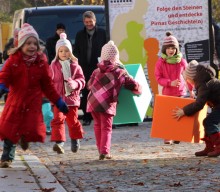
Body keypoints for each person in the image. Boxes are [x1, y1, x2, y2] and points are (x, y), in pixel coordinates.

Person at [0, 23, 69, 168]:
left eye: (34, 43)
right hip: (16, 101)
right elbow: (4, 76)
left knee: (30, 127)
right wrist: (2, 86)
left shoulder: (41, 63)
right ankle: (7, 157)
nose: (32, 46)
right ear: (20, 45)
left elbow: (48, 86)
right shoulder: (13, 61)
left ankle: (24, 138)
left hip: (32, 103)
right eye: (28, 43)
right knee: (9, 129)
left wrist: (58, 100)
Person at [86, 40, 142, 160]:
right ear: (116, 57)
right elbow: (132, 85)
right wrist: (138, 87)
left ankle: (100, 150)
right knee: (106, 127)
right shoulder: (119, 71)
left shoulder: (96, 70)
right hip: (107, 103)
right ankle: (105, 151)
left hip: (93, 102)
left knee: (97, 125)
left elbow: (89, 85)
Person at [173, 60, 220, 157]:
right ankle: (210, 148)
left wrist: (184, 111)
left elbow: (199, 104)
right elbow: (202, 98)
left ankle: (218, 146)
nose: (187, 81)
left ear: (192, 78)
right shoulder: (205, 80)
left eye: (187, 79)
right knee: (207, 122)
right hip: (218, 105)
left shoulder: (203, 84)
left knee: (209, 122)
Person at [154, 31, 194, 145]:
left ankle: (177, 135)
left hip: (180, 92)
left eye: (173, 48)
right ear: (164, 49)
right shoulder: (160, 62)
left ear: (177, 49)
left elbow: (188, 76)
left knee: (179, 114)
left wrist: (191, 90)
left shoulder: (181, 61)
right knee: (168, 115)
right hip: (167, 92)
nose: (171, 50)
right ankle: (168, 137)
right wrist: (169, 83)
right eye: (168, 48)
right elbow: (158, 77)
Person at [50, 33, 85, 154]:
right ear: (57, 53)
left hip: (71, 99)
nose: (64, 53)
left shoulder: (75, 66)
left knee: (72, 121)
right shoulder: (53, 66)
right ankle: (59, 142)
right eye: (61, 51)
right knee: (58, 119)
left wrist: (75, 84)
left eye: (66, 51)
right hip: (58, 99)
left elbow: (82, 80)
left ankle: (75, 139)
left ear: (70, 52)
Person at [73, 11, 107, 126]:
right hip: (83, 68)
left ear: (95, 21)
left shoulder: (103, 33)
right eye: (86, 22)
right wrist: (77, 63)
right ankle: (87, 116)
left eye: (90, 21)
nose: (89, 24)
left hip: (98, 67)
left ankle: (99, 115)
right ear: (83, 22)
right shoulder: (79, 34)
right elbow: (76, 50)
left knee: (98, 91)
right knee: (85, 92)